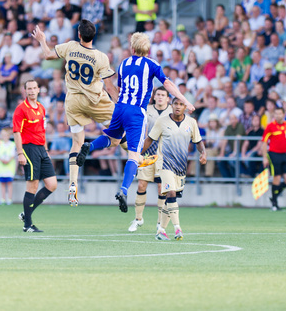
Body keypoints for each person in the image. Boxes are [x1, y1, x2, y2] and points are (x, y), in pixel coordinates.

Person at [76, 33, 194, 213]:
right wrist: (184, 100)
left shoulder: (123, 64)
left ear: (132, 48)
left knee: (113, 139)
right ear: (148, 50)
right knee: (133, 155)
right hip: (137, 112)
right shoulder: (151, 64)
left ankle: (89, 146)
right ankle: (123, 191)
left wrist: (120, 105)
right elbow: (167, 83)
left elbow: (115, 88)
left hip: (120, 107)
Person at [32, 19, 117, 206]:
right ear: (93, 36)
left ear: (79, 35)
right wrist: (121, 102)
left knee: (76, 143)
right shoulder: (101, 57)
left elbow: (47, 55)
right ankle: (139, 157)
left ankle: (72, 185)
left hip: (73, 101)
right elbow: (110, 87)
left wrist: (42, 39)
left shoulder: (70, 47)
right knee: (120, 132)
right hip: (95, 100)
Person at [141, 97, 206, 240]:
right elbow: (150, 139)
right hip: (164, 164)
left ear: (185, 107)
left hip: (181, 166)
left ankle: (161, 230)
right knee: (170, 193)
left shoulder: (191, 123)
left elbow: (198, 141)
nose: (178, 106)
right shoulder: (162, 121)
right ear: (171, 105)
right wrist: (138, 155)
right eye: (175, 103)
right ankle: (178, 229)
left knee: (171, 199)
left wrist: (203, 153)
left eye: (181, 104)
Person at [13, 79, 58, 232]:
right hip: (28, 148)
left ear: (39, 90)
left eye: (34, 88)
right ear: (25, 91)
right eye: (29, 89)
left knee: (52, 185)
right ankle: (28, 225)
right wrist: (20, 153)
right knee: (32, 186)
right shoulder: (21, 109)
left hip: (41, 149)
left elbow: (42, 131)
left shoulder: (41, 108)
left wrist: (46, 151)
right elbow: (17, 132)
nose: (32, 91)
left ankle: (27, 214)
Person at [129, 86, 171, 233]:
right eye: (157, 94)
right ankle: (138, 219)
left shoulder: (172, 112)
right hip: (146, 154)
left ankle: (160, 222)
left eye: (163, 95)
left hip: (164, 156)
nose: (160, 97)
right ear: (154, 96)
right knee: (141, 185)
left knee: (161, 188)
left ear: (167, 98)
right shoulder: (146, 110)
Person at [261, 107, 286, 211]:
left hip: (284, 154)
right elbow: (264, 142)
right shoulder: (270, 126)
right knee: (277, 178)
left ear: (284, 114)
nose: (278, 116)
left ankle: (274, 196)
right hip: (274, 154)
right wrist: (264, 157)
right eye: (276, 114)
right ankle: (274, 203)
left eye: (280, 114)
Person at [0, 127, 16, 205]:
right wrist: (2, 160)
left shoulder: (12, 144)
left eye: (6, 135)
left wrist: (8, 160)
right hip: (1, 167)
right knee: (2, 184)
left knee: (9, 183)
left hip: (9, 167)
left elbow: (13, 155)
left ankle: (9, 199)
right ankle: (3, 198)